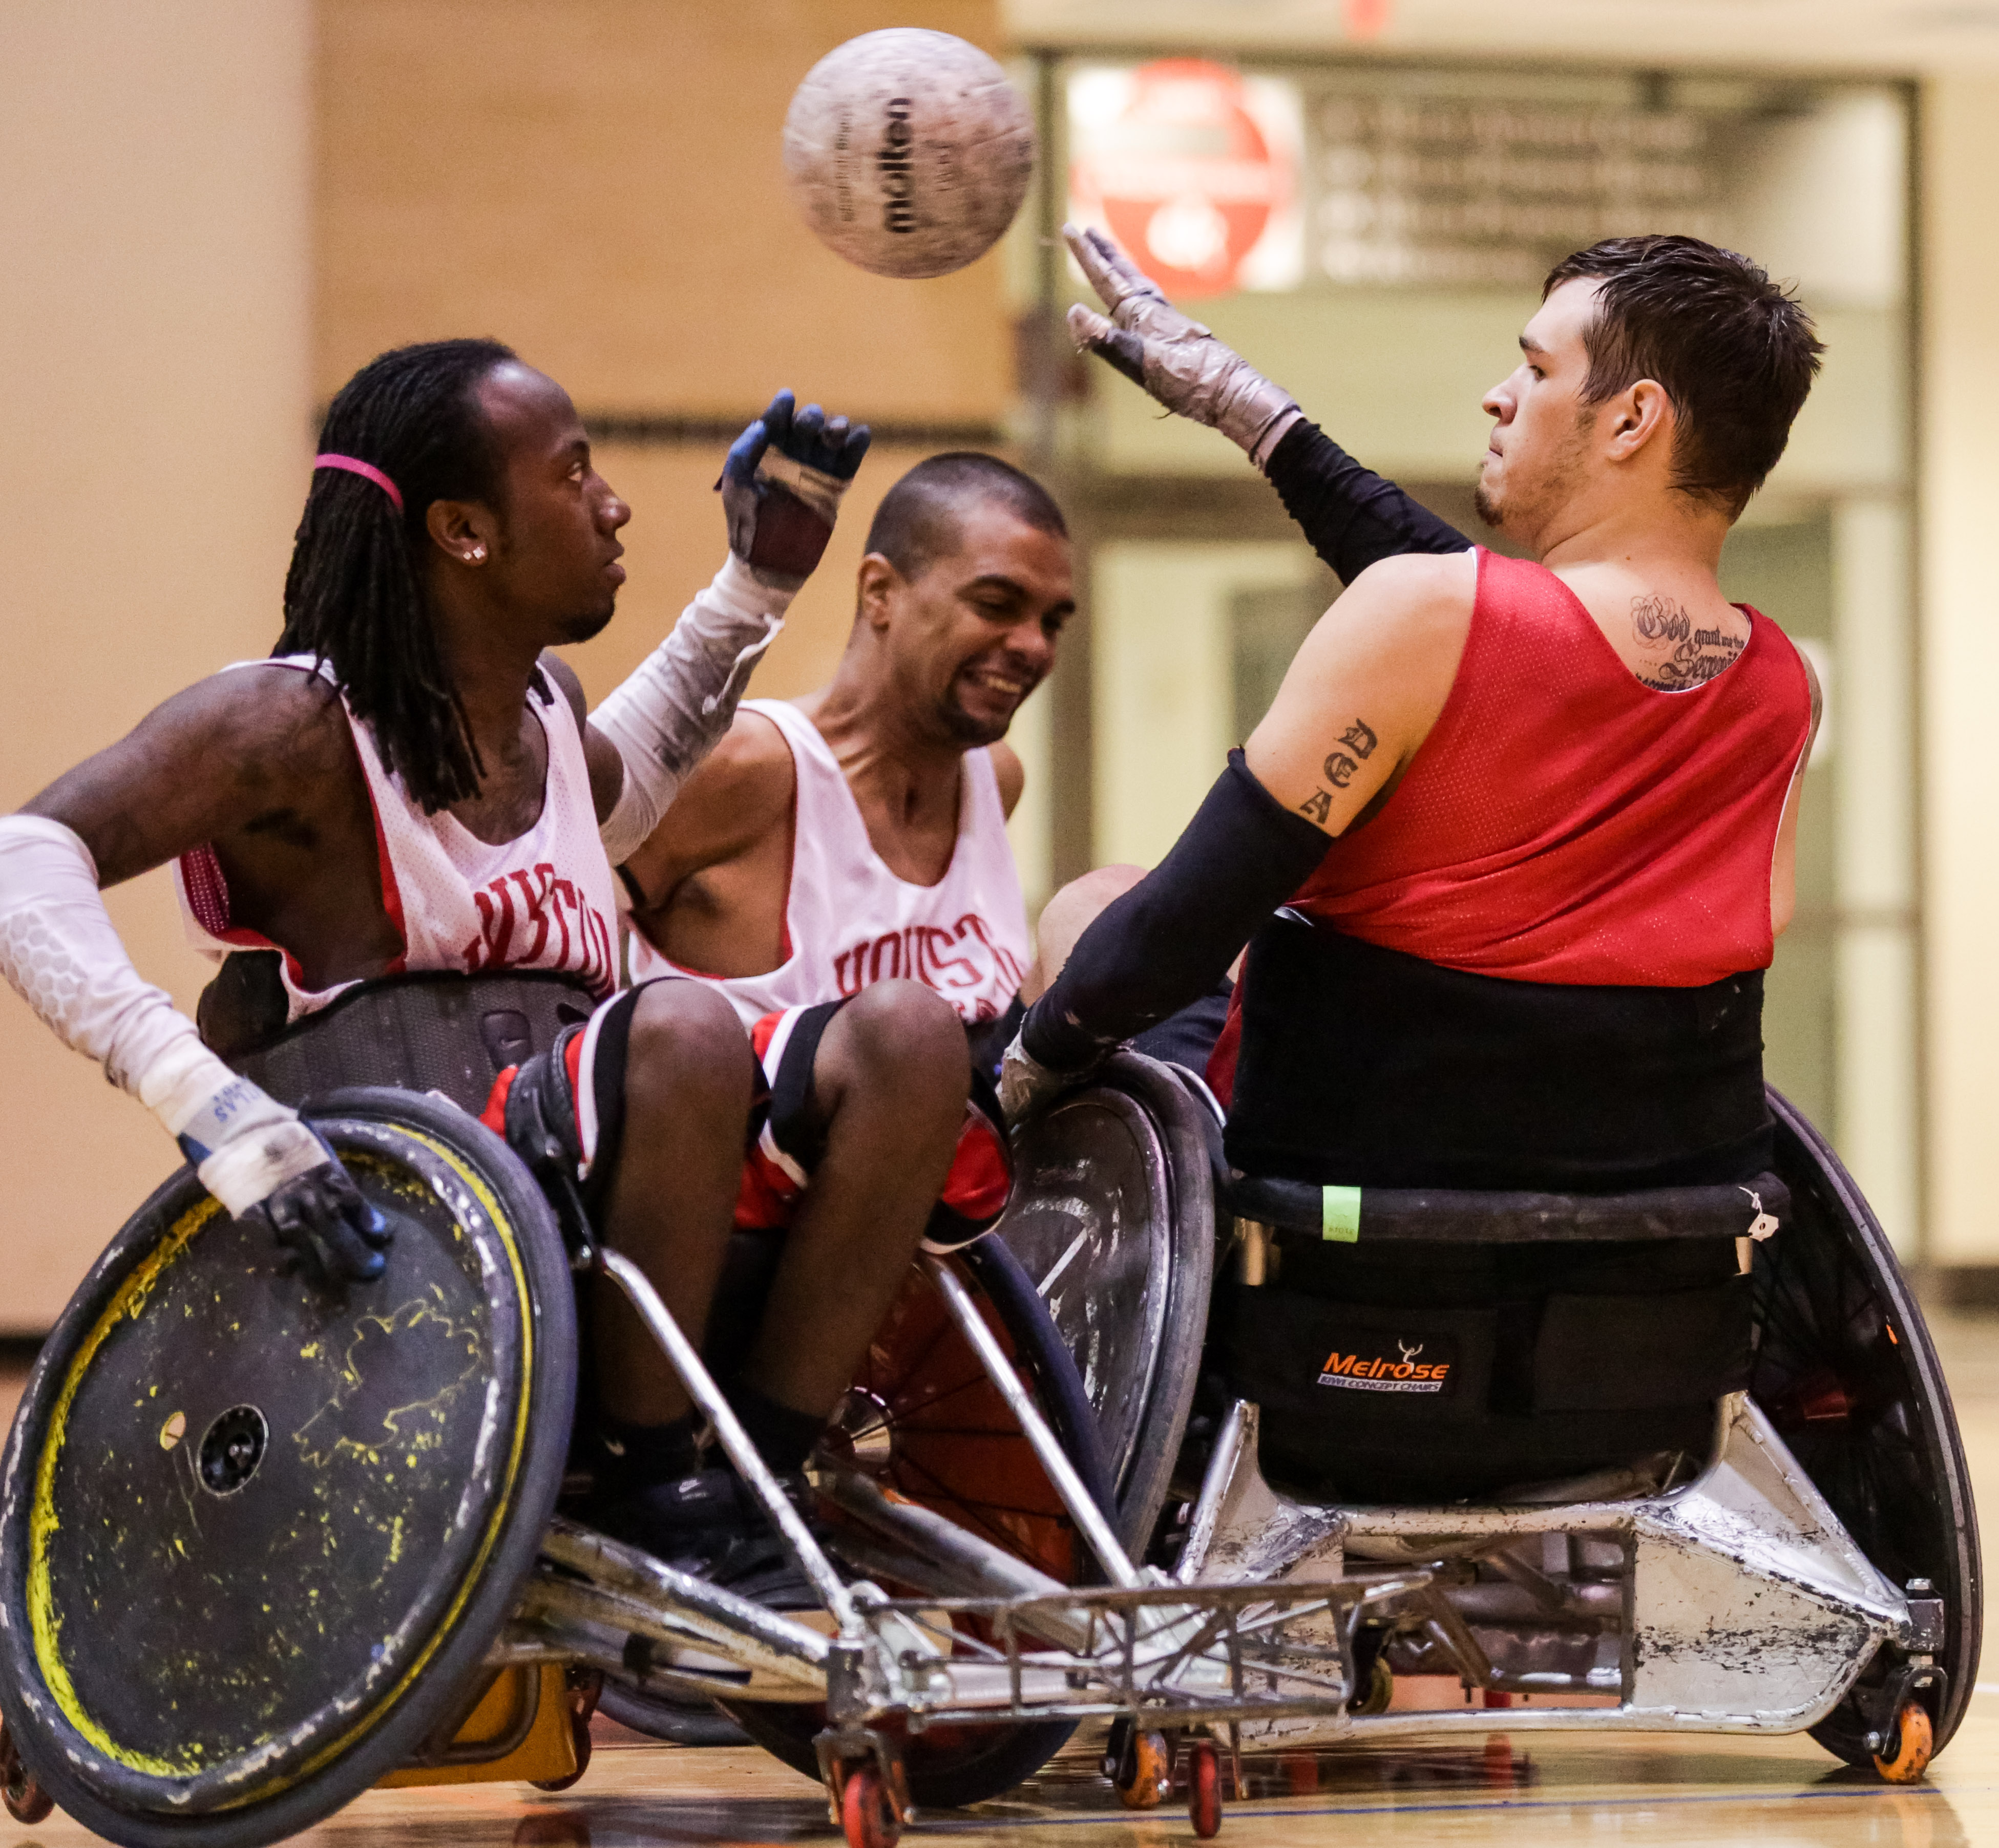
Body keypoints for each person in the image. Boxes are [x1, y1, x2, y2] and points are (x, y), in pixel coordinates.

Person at [0, 337, 960, 1571]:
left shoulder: (547, 712)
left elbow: (628, 788)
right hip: (411, 1207)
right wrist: (207, 1102)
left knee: (910, 1032)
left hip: (593, 1183)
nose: (613, 505)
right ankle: (651, 1480)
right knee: (679, 1024)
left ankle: (756, 1475)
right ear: (463, 531)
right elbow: (26, 855)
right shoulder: (287, 723)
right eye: (573, 475)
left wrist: (754, 586)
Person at [1007, 229, 1824, 1497]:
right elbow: (1494, 618)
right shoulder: (1772, 687)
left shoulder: (1421, 617)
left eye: (1533, 367)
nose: (1499, 396)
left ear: (1630, 420)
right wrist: (1255, 414)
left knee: (1090, 915)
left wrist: (1011, 1072)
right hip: (1641, 1350)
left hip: (1344, 1306)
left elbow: (1176, 926)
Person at [616, 453, 1074, 1261]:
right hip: (732, 1264)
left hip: (944, 1275)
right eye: (997, 604)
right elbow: (561, 916)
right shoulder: (749, 771)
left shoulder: (994, 780)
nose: (1032, 645)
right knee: (902, 1036)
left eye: (1053, 621)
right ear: (880, 592)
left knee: (1105, 907)